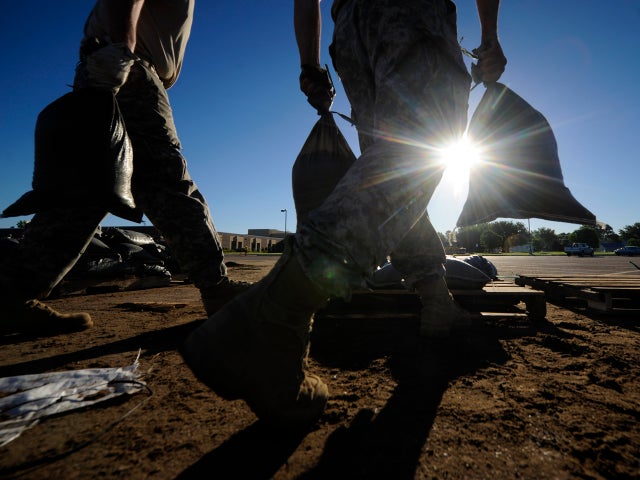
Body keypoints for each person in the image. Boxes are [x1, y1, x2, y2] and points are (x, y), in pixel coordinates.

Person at [181, 0, 507, 427]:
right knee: (417, 152)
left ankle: (435, 298)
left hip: (351, 27)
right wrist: (490, 36)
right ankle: (275, 315)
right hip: (413, 15)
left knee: (389, 171)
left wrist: (310, 63)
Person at [0, 0, 246, 335]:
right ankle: (218, 291)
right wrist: (123, 49)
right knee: (165, 180)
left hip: (106, 63)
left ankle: (13, 295)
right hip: (129, 67)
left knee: (84, 192)